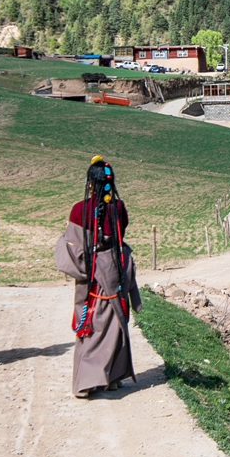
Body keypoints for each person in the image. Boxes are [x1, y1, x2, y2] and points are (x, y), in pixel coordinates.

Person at [54, 156, 140, 397]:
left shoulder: (78, 210)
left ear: (90, 183)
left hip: (90, 275)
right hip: (114, 273)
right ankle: (111, 378)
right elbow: (120, 232)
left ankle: (87, 380)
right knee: (113, 324)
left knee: (91, 324)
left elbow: (73, 245)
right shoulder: (119, 208)